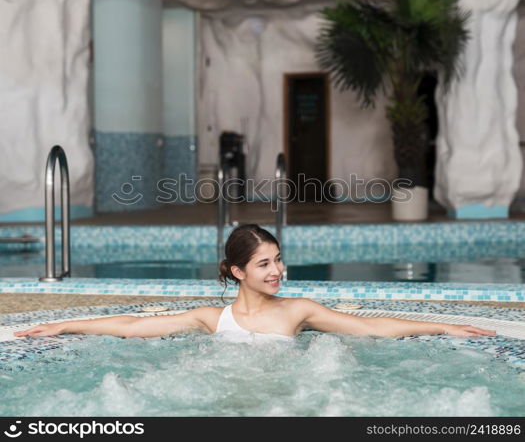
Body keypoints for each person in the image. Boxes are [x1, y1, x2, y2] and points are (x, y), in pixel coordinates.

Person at [14, 224, 496, 340]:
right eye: (265, 264)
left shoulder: (298, 310)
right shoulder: (212, 317)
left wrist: (445, 327)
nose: (278, 272)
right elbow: (134, 326)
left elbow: (370, 327)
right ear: (237, 272)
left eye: (279, 260)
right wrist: (64, 326)